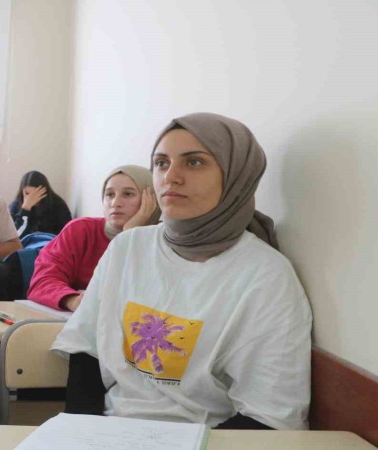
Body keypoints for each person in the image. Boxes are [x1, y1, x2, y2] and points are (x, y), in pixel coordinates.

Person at [52, 113, 312, 430]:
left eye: (194, 162)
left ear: (236, 176)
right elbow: (86, 349)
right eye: (161, 163)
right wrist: (83, 434)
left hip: (206, 439)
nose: (170, 177)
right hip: (110, 431)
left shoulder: (266, 275)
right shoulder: (128, 247)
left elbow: (269, 415)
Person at [27, 165, 159, 311]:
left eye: (128, 194)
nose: (115, 203)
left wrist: (129, 236)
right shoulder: (80, 230)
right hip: (72, 320)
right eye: (109, 194)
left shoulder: (164, 240)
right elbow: (42, 281)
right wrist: (74, 301)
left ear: (152, 200)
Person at [9, 170, 72, 237]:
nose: (31, 198)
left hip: (50, 241)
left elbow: (67, 232)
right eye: (27, 194)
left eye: (35, 194)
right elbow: (13, 236)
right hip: (26, 242)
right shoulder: (16, 205)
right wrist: (25, 209)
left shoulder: (58, 204)